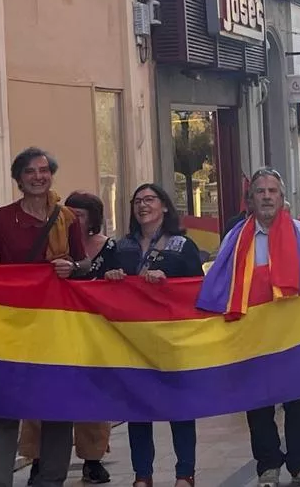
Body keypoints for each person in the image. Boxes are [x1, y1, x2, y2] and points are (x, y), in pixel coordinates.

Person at [201, 169, 300, 487]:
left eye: (273, 191)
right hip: (253, 338)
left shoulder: (299, 233)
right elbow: (220, 282)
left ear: (283, 199)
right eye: (260, 192)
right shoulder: (236, 238)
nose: (267, 196)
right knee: (257, 403)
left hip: (292, 334)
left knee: (297, 403)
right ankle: (268, 466)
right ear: (250, 200)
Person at [0, 148, 85, 487]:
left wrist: (74, 268)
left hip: (56, 325)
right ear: (18, 179)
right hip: (12, 326)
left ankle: (49, 480)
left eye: (44, 170)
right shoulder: (1, 219)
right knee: (5, 407)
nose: (38, 176)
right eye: (29, 172)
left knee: (56, 406)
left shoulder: (68, 218)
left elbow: (83, 265)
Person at [89, 185, 203, 487]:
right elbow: (93, 281)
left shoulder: (183, 245)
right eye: (137, 201)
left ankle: (185, 474)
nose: (143, 205)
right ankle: (142, 475)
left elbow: (197, 289)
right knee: (137, 408)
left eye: (150, 199)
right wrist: (110, 278)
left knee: (180, 407)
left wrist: (169, 283)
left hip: (172, 340)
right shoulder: (118, 247)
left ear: (164, 206)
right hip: (132, 343)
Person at [24, 192, 113, 483]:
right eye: (69, 213)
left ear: (94, 218)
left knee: (91, 396)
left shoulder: (108, 248)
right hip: (50, 329)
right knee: (41, 394)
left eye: (81, 214)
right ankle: (37, 457)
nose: (73, 219)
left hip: (91, 333)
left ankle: (92, 457)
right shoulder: (52, 243)